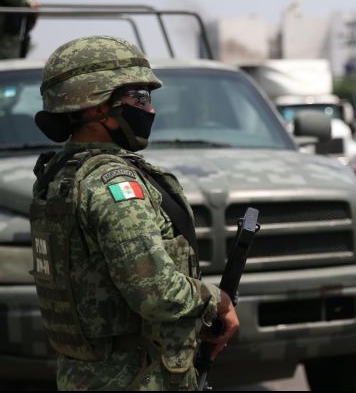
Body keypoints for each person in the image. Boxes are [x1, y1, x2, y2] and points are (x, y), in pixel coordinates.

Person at [29, 35, 238, 390]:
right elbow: (155, 291)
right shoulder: (112, 185)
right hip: (135, 377)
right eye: (138, 98)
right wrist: (215, 302)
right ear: (96, 107)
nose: (150, 109)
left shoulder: (58, 176)